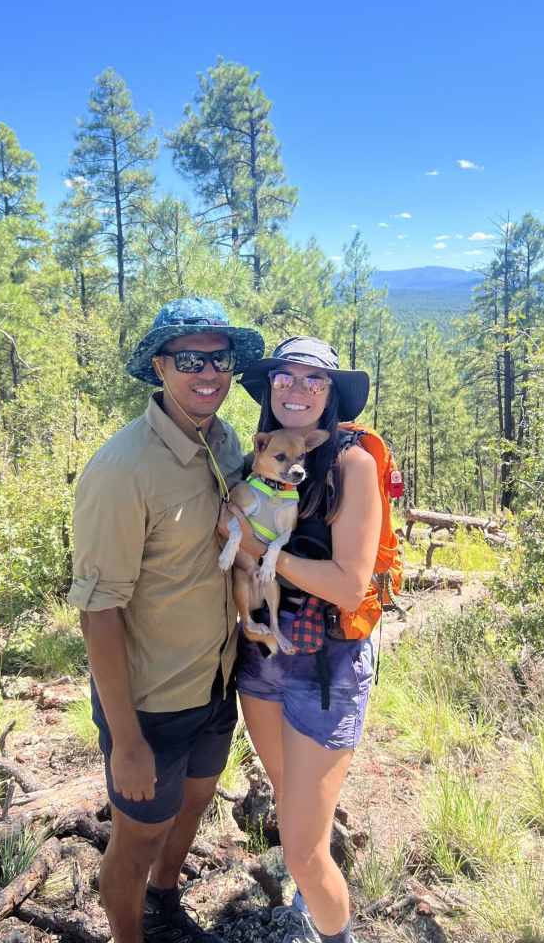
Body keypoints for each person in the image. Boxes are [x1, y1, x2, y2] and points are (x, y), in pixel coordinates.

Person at [67, 297, 264, 943]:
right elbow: (98, 613)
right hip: (149, 703)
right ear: (159, 366)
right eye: (189, 359)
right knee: (137, 834)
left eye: (219, 358)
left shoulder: (224, 441)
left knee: (197, 798)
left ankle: (164, 901)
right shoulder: (123, 470)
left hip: (213, 682)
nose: (208, 373)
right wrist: (125, 742)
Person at [220, 336, 382, 943]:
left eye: (313, 379)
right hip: (263, 653)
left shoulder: (352, 464)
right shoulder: (257, 459)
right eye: (284, 377)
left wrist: (263, 553)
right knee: (291, 806)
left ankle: (335, 933)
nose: (297, 387)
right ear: (268, 389)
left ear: (331, 394)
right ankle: (309, 906)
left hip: (326, 668)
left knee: (304, 845)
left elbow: (347, 586)